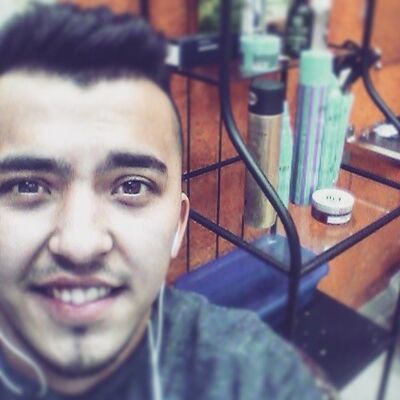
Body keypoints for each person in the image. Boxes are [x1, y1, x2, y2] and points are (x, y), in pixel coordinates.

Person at [0, 3, 326, 399]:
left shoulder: (255, 373)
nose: (79, 245)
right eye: (27, 186)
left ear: (178, 225)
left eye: (132, 187)